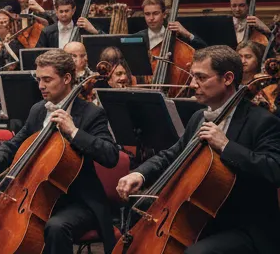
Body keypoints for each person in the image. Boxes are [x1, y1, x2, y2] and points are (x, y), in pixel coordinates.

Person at [116, 45, 280, 253]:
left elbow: (274, 169)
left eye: (201, 78)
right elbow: (173, 154)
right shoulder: (199, 117)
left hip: (244, 225)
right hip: (200, 216)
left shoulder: (262, 122)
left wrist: (226, 146)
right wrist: (140, 173)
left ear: (228, 78)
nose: (193, 84)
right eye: (193, 76)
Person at [0, 49, 120, 254]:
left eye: (47, 79)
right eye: (38, 80)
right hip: (40, 197)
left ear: (67, 78)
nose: (41, 86)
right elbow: (15, 143)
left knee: (55, 227)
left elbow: (110, 155)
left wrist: (73, 131)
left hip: (79, 201)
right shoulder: (38, 110)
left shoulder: (91, 113)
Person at [135, 0, 206, 51]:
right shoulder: (137, 37)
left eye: (156, 13)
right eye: (147, 14)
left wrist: (187, 34)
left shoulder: (177, 36)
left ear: (164, 14)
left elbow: (203, 49)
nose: (151, 18)